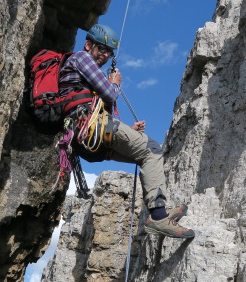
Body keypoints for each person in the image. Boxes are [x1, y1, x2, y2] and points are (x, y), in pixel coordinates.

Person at [59, 23, 195, 239]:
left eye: (109, 52)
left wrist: (128, 131)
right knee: (152, 149)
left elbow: (93, 105)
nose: (105, 55)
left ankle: (159, 211)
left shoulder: (77, 70)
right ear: (88, 45)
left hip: (86, 141)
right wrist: (115, 83)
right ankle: (159, 216)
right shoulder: (81, 58)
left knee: (143, 157)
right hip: (93, 129)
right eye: (101, 49)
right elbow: (110, 94)